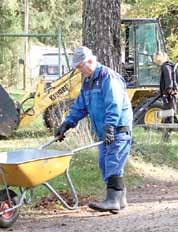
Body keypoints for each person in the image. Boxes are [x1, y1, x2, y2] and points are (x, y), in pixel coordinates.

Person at [55, 46, 133, 213]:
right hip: (103, 131)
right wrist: (67, 124)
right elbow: (80, 106)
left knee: (113, 162)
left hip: (117, 128)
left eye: (79, 67)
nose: (79, 71)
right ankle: (120, 199)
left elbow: (114, 104)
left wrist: (110, 126)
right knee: (105, 164)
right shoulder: (88, 82)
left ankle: (112, 200)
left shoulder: (108, 77)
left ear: (89, 61)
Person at [152, 51, 178, 140]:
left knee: (171, 115)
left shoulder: (165, 66)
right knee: (166, 117)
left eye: (154, 57)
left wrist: (169, 90)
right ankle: (165, 138)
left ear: (159, 57)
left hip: (169, 96)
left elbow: (169, 79)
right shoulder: (167, 66)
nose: (153, 59)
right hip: (168, 95)